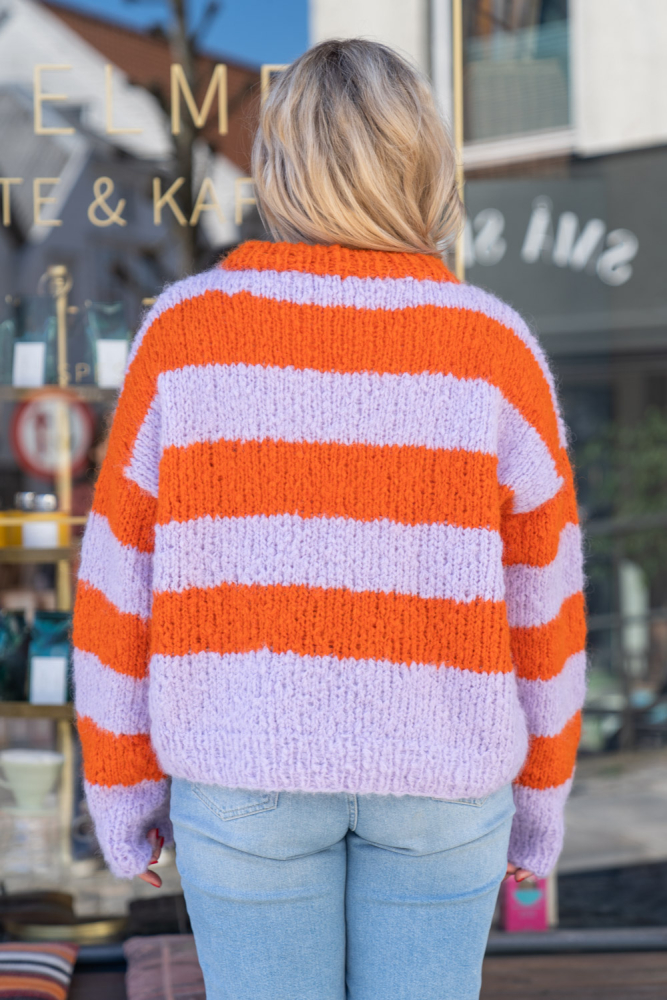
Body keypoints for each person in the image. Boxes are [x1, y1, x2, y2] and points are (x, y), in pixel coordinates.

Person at [72, 38, 586, 1000]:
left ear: (276, 164)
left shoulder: (185, 336)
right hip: (443, 779)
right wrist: (541, 796)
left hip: (245, 769)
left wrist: (121, 783)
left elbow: (119, 582)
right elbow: (544, 602)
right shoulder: (494, 350)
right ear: (423, 163)